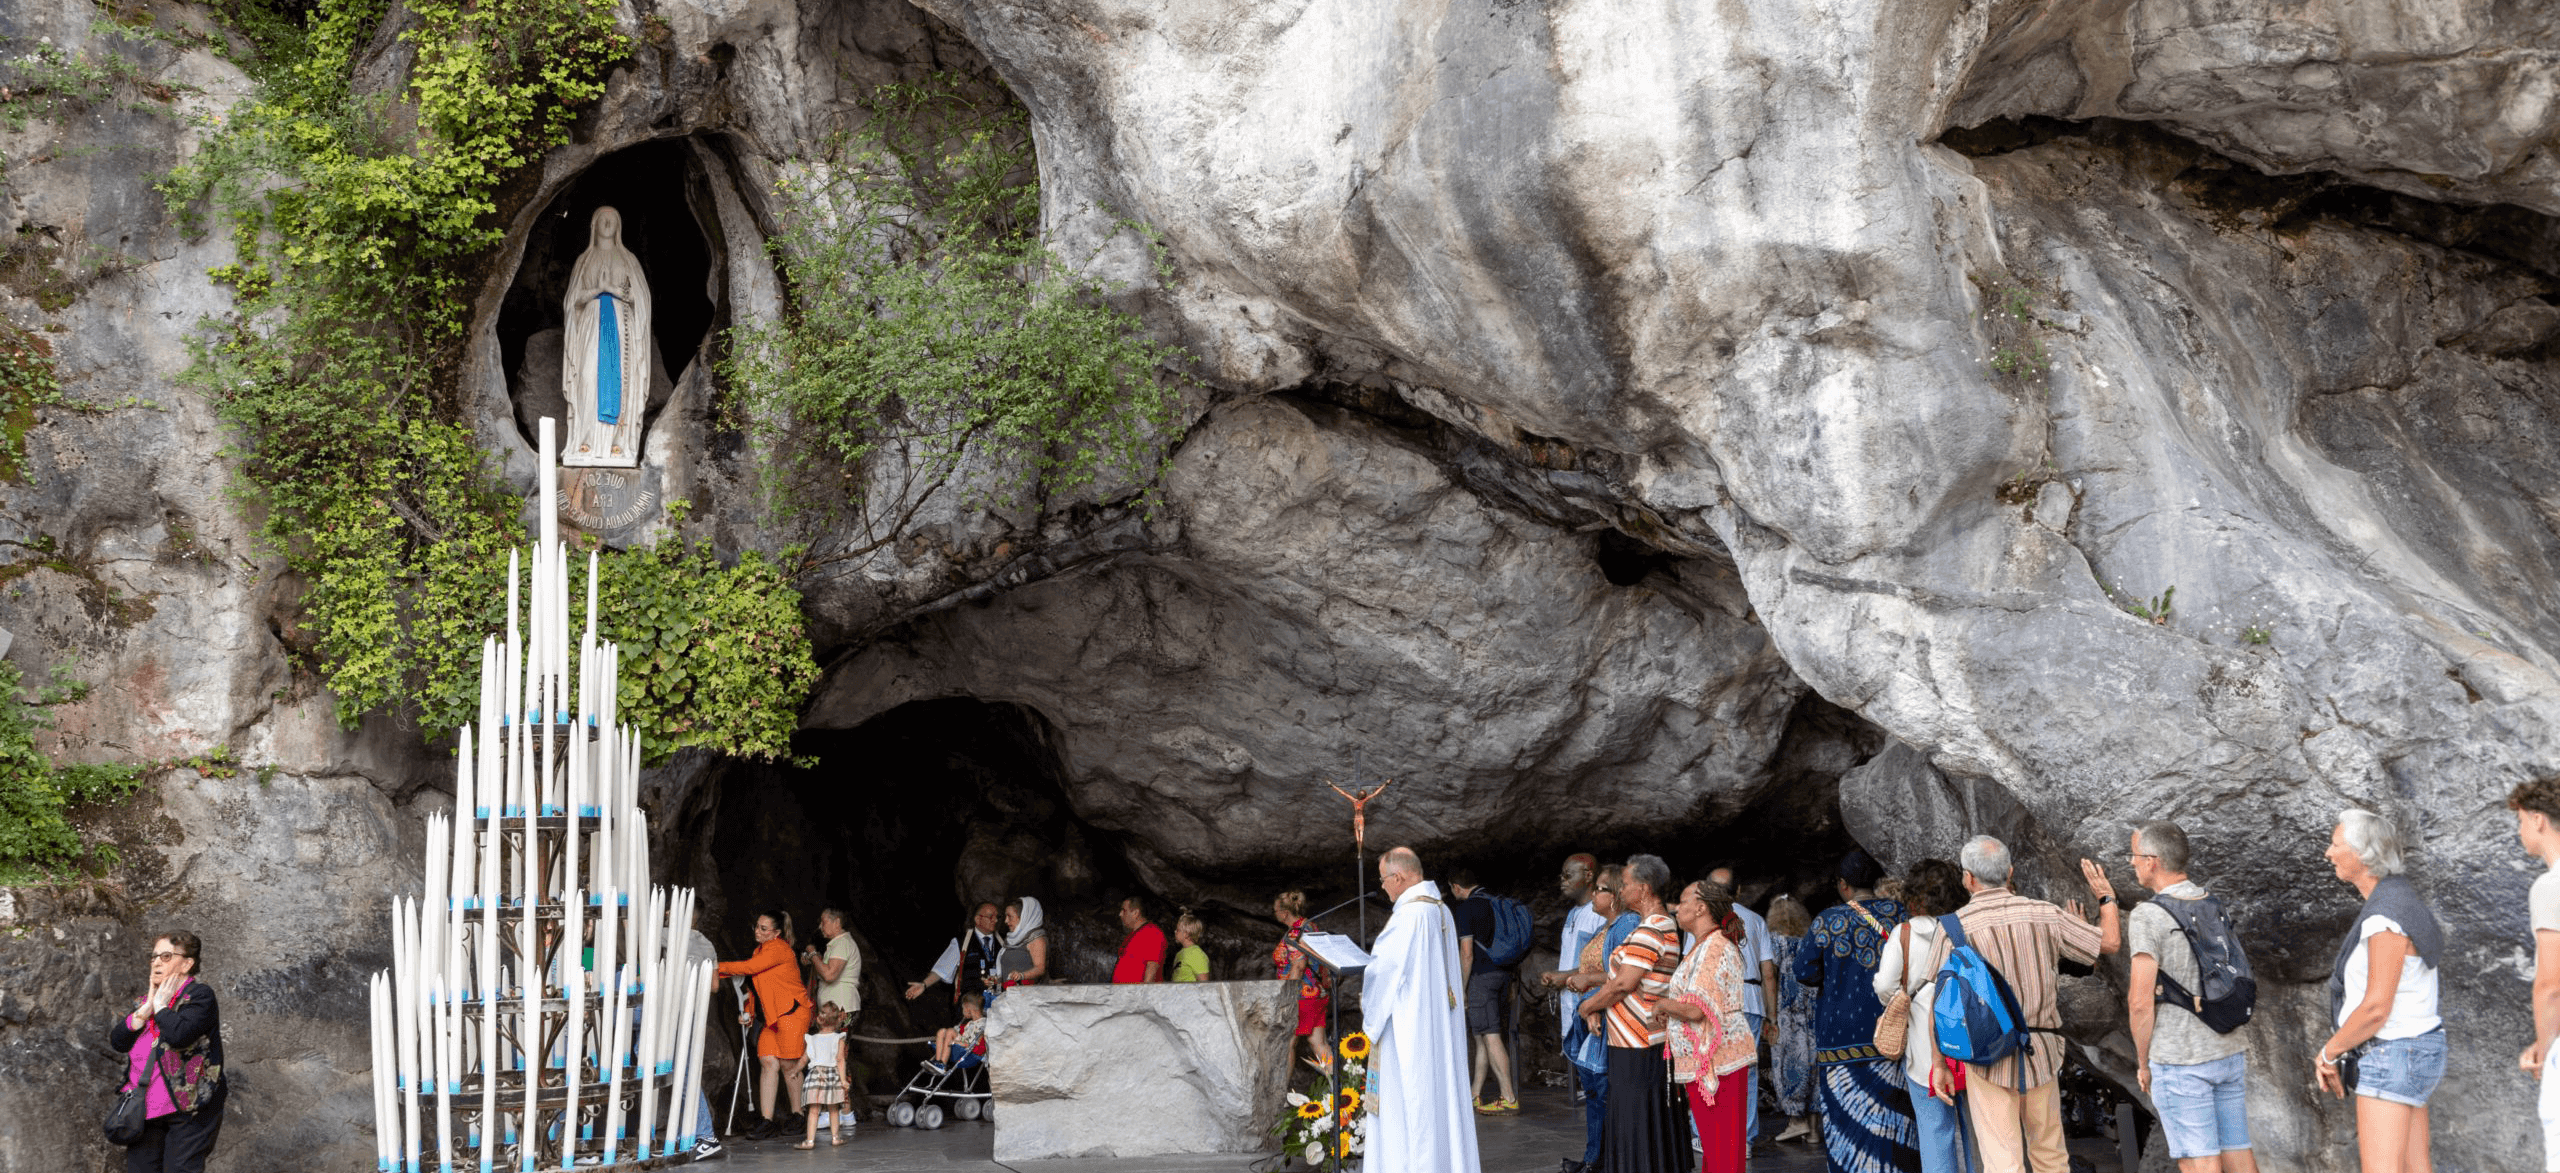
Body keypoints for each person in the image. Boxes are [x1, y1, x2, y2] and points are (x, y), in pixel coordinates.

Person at [1948, 836, 2120, 1173]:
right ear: (2010, 872)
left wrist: (1940, 1064)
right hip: (2042, 1051)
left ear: (1968, 878)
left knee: (2002, 1162)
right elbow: (2110, 942)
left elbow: (1940, 1001)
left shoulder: (1954, 928)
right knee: (2051, 1157)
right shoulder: (2044, 915)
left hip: (1987, 1058)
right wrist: (2106, 897)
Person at [2314, 809, 2444, 1173]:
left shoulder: (2384, 918)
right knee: (2416, 1168)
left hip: (2392, 1054)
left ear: (2361, 853)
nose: (2328, 852)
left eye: (2336, 844)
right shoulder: (2404, 901)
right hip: (2416, 1047)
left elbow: (2376, 1009)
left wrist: (2328, 1054)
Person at [2126, 822, 2254, 1173]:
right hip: (2228, 1048)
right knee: (2238, 1154)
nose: (2132, 863)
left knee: (2200, 1162)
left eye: (2135, 857)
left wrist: (2143, 1062)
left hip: (2181, 1058)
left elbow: (2140, 1001)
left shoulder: (2148, 915)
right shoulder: (2211, 901)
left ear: (2152, 861)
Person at [1792, 848, 1919, 1173]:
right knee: (1897, 1125)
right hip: (1896, 1040)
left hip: (1841, 1043)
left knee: (1847, 1128)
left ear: (1843, 885)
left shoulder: (1829, 920)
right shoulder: (1902, 914)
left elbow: (1803, 971)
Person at [1362, 846, 1481, 1173]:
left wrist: (1370, 1021)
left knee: (1409, 1105)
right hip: (1437, 1027)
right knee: (1438, 1101)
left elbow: (1382, 973)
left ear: (1398, 877)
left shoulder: (1409, 916)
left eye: (1384, 879)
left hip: (1408, 1030)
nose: (1382, 886)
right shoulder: (1440, 909)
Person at [1581, 852, 1685, 1173]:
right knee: (1643, 1114)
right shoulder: (1656, 925)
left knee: (1634, 1115)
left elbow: (1623, 983)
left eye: (1624, 885)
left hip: (1638, 1039)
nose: (1621, 891)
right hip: (1642, 1036)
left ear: (1642, 888)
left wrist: (1589, 1005)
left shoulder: (1651, 929)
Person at [1874, 859, 1970, 1173]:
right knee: (1979, 1135)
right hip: (1971, 1046)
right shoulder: (1966, 927)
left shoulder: (1903, 934)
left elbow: (1886, 985)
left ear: (1913, 897)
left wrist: (1904, 1000)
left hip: (1923, 1052)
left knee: (1934, 1133)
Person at [110, 929, 226, 1173]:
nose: (156, 963)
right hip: (144, 1106)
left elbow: (179, 1035)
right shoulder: (146, 1001)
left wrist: (161, 1007)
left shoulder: (199, 996)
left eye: (166, 956)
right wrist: (146, 1009)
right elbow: (119, 1042)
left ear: (186, 963)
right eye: (153, 957)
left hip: (188, 1105)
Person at [1662, 881, 1755, 1173]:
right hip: (1711, 1061)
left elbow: (1695, 1009)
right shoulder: (1704, 945)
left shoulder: (1714, 947)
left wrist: (1661, 1005)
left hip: (1719, 1060)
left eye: (1682, 899)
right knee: (1717, 1147)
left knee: (1721, 1148)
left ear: (1701, 907)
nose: (1677, 907)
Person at [1554, 863, 1630, 1173]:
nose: (1594, 894)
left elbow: (1623, 975)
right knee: (1596, 1092)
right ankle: (1594, 1158)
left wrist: (1592, 996)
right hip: (1592, 1014)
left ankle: (1602, 1160)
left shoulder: (1627, 924)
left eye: (1600, 888)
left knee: (1602, 1091)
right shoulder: (1605, 928)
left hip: (1606, 1016)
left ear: (1615, 895)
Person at [717, 910, 812, 1136]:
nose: (757, 932)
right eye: (756, 927)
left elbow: (750, 969)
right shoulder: (759, 951)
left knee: (789, 1064)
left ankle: (798, 1115)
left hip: (792, 1013)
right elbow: (754, 987)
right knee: (768, 1062)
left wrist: (716, 967)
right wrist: (748, 1012)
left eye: (763, 929)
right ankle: (766, 1120)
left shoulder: (780, 949)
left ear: (776, 932)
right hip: (771, 1018)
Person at [1708, 863, 1780, 1148]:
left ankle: (1710, 1134)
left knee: (1710, 1067)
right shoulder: (1756, 919)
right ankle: (1744, 1139)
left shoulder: (1701, 916)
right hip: (1749, 999)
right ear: (1738, 891)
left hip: (1713, 1000)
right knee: (1745, 1072)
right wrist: (1771, 1017)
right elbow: (1769, 972)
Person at [2515, 777, 2560, 1173]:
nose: (2520, 832)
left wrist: (2545, 1052)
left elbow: (2551, 984)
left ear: (2538, 819)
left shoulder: (2551, 886)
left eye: (2520, 822)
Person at [1450, 867, 1521, 1114]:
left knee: (1490, 1036)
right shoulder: (1496, 903)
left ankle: (1508, 1097)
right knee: (1482, 1036)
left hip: (1482, 977)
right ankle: (1474, 1094)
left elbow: (1466, 953)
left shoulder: (1466, 908)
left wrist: (1461, 986)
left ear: (1456, 887)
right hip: (1503, 975)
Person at [1541, 854, 1606, 1074]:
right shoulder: (1573, 913)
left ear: (1589, 876)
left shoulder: (1599, 914)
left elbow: (1606, 964)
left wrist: (1565, 976)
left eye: (1568, 875)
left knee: (1595, 1077)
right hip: (1571, 1004)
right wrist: (1558, 977)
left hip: (1592, 1007)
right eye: (1562, 875)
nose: (1563, 880)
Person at [1768, 894, 1817, 1144]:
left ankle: (1795, 1121)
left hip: (1788, 1012)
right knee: (1813, 1066)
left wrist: (1771, 1017)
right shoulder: (1811, 940)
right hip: (1812, 1013)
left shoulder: (1776, 942)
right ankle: (1814, 1127)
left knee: (1789, 1063)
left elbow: (1771, 977)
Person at [1272, 889, 1333, 1071]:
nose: (1275, 914)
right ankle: (1338, 1090)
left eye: (1276, 911)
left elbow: (1298, 966)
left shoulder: (1295, 933)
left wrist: (1287, 997)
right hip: (1317, 992)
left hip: (1301, 995)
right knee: (1318, 1042)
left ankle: (1281, 1094)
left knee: (1288, 1042)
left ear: (1284, 913)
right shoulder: (1311, 926)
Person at [685, 921, 728, 1158]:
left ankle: (702, 1133)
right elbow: (714, 985)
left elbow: (588, 956)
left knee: (682, 1074)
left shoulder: (663, 936)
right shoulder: (706, 944)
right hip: (689, 1012)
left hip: (671, 1011)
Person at [906, 902, 1003, 1005]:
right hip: (970, 1006)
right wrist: (923, 985)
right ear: (977, 919)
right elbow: (942, 969)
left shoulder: (1005, 942)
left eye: (997, 917)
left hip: (1000, 1003)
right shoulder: (961, 943)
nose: (995, 920)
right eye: (990, 917)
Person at [797, 1003, 850, 1149]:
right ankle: (835, 1138)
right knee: (833, 1109)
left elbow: (804, 1059)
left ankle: (809, 1141)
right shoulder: (839, 1037)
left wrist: (795, 1070)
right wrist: (843, 1080)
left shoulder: (812, 1039)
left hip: (815, 1076)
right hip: (832, 1075)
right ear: (837, 1020)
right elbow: (840, 1059)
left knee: (813, 1111)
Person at [801, 908, 861, 1024]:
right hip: (837, 1008)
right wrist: (814, 959)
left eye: (823, 922)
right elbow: (828, 967)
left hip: (840, 1009)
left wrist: (812, 953)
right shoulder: (838, 943)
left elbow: (829, 975)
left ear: (837, 922)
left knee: (836, 1042)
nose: (820, 927)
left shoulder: (842, 943)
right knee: (833, 1042)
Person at [1114, 894, 1169, 983]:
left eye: (1124, 910)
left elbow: (1152, 966)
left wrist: (1144, 992)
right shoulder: (1130, 936)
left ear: (1135, 913)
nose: (1120, 914)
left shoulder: (1152, 933)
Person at [929, 995, 989, 1070]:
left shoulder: (982, 1024)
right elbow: (960, 1034)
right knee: (942, 1031)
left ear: (968, 1008)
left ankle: (942, 1064)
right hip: (962, 1043)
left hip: (968, 1051)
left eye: (963, 1008)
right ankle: (937, 1061)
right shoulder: (970, 1023)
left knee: (950, 1031)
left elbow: (974, 1044)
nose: (963, 1011)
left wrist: (958, 1042)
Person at [1002, 897, 1049, 989]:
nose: (1006, 921)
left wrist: (1021, 975)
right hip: (1010, 994)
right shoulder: (1011, 940)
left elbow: (1040, 969)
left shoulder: (1036, 939)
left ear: (1024, 917)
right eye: (1006, 916)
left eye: (1010, 916)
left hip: (1029, 995)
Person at [1171, 909, 1212, 981]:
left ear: (1187, 933)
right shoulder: (1180, 953)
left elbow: (1204, 984)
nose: (1175, 932)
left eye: (1178, 930)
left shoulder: (1196, 954)